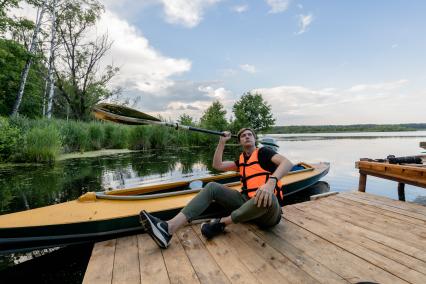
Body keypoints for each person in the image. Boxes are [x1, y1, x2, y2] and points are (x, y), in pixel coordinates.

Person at [140, 128, 294, 249]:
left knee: (267, 197)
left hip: (269, 212)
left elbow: (287, 163)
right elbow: (217, 165)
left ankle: (221, 223)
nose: (247, 136)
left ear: (254, 139)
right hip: (247, 204)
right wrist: (222, 142)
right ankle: (168, 228)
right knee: (212, 186)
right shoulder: (241, 161)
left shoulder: (264, 153)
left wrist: (270, 183)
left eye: (249, 135)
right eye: (243, 136)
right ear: (240, 141)